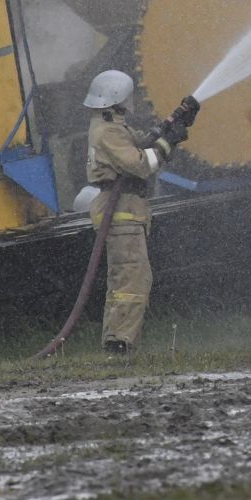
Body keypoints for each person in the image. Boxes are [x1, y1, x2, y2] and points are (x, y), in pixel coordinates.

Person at [81, 69, 195, 356]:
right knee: (132, 277)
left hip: (127, 210)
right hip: (121, 212)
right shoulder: (107, 131)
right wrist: (168, 145)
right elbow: (140, 163)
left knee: (128, 276)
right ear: (118, 97)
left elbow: (143, 142)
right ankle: (119, 343)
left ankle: (118, 339)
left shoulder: (111, 125)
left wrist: (172, 126)